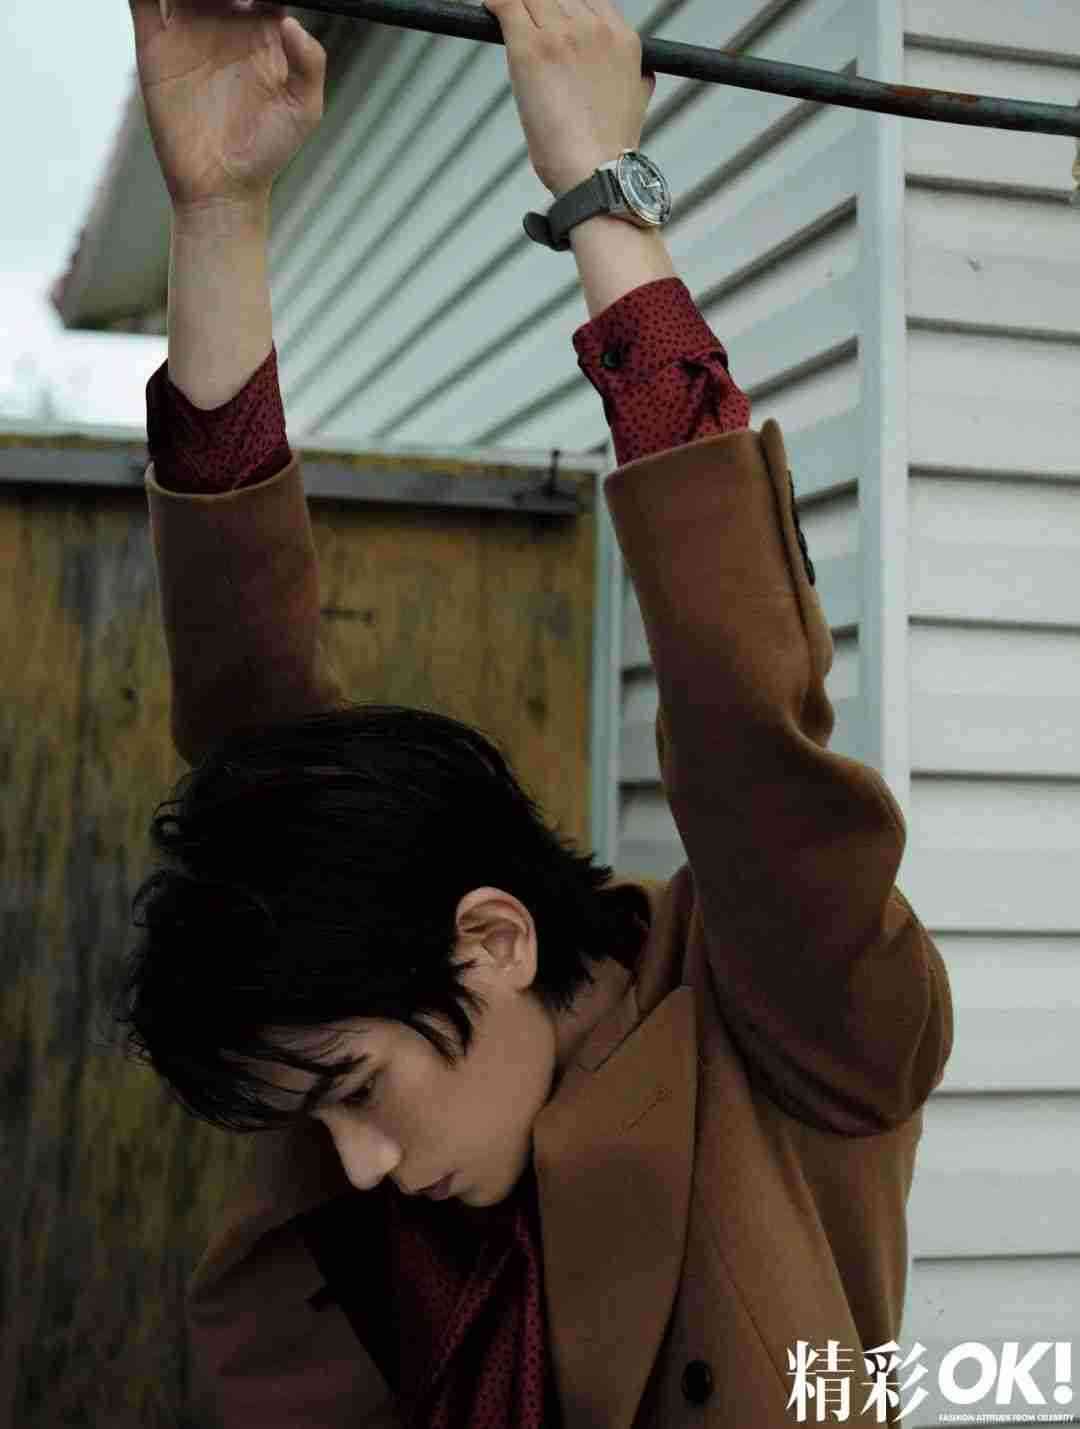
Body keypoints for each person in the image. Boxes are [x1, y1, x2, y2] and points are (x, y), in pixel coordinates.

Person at [114, 1, 954, 1425]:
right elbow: (255, 733)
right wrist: (215, 213)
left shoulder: (794, 1029)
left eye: (356, 1088)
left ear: (496, 937)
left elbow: (751, 729)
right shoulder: (361, 1045)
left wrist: (601, 197)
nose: (359, 1164)